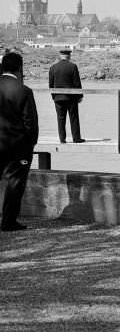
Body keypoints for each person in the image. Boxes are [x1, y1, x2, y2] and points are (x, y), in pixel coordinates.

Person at [0, 52, 39, 232]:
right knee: (14, 183)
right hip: (17, 146)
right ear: (20, 68)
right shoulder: (24, 91)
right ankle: (8, 222)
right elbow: (30, 122)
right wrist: (30, 144)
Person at [48, 48, 85, 143]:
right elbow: (77, 83)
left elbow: (51, 84)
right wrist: (80, 96)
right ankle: (76, 138)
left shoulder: (53, 67)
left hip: (58, 97)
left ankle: (62, 139)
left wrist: (53, 96)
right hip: (71, 97)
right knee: (74, 117)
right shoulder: (73, 66)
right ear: (69, 56)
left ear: (60, 56)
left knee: (60, 118)